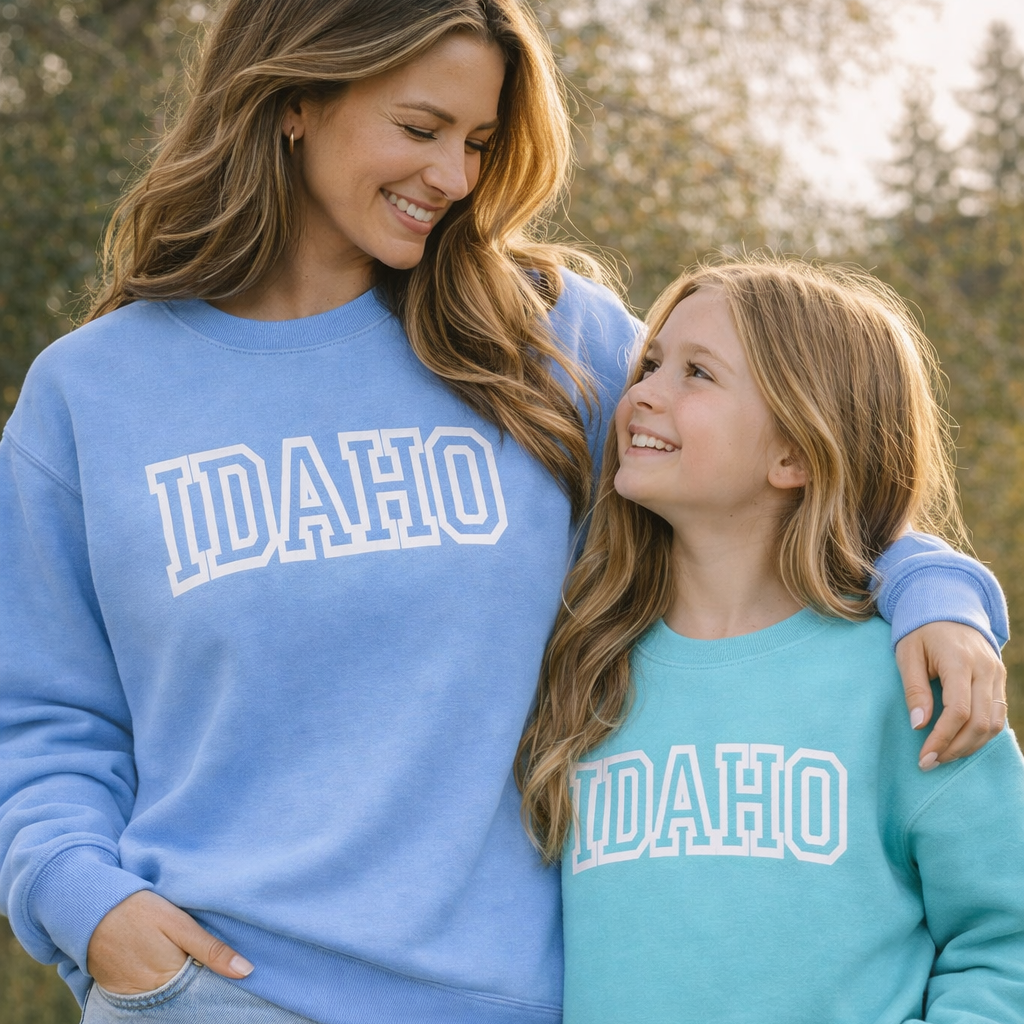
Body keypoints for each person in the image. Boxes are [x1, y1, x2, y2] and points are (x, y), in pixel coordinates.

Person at [0, 1, 1008, 1022]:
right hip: (204, 990)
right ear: (296, 98)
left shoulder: (544, 338)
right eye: (421, 128)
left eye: (479, 142)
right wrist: (82, 903)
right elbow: (41, 714)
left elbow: (777, 466)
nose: (454, 177)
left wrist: (934, 587)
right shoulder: (92, 394)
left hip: (501, 999)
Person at [517, 255, 1024, 1024]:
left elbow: (1004, 940)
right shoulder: (584, 663)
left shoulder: (910, 679)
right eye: (651, 363)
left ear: (793, 452)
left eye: (697, 375)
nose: (642, 391)